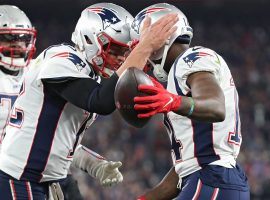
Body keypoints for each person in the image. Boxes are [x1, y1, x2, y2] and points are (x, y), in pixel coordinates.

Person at [0, 2, 179, 199]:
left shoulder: (86, 72)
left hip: (52, 178)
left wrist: (93, 162)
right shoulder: (61, 58)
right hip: (21, 177)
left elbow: (60, 138)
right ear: (89, 39)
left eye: (126, 52)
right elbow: (100, 102)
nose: (121, 58)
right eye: (115, 50)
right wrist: (144, 47)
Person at [0, 4, 126, 200]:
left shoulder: (38, 70)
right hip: (17, 173)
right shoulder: (54, 64)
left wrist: (93, 163)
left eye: (22, 39)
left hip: (38, 174)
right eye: (8, 39)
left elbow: (53, 141)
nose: (17, 47)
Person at [130, 3, 250, 200]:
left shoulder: (190, 58)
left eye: (147, 45)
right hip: (210, 180)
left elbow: (216, 107)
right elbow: (184, 168)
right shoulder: (178, 74)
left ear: (163, 38)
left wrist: (173, 101)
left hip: (212, 179)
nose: (146, 56)